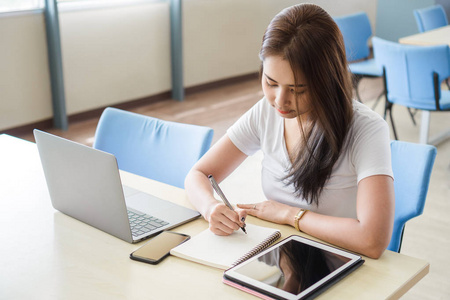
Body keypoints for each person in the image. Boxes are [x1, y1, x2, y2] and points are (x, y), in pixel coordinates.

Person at [184, 3, 394, 259]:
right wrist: (211, 207)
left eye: (298, 90)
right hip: (285, 256)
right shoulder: (266, 111)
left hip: (339, 261)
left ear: (327, 81)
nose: (280, 101)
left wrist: (289, 214)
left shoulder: (365, 129)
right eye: (271, 83)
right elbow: (198, 174)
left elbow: (372, 240)